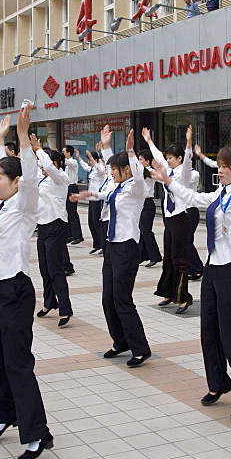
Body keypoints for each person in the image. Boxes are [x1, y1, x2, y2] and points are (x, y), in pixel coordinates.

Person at [151, 145, 231, 419]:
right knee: (208, 331)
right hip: (213, 267)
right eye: (220, 165)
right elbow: (192, 196)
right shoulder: (218, 194)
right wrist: (168, 181)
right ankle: (218, 383)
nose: (221, 170)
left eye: (226, 166)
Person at [0, 106, 54, 459]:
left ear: (14, 183)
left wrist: (23, 138)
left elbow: (24, 172)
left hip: (15, 289)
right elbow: (6, 170)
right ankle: (4, 415)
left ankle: (37, 434)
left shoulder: (25, 202)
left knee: (18, 362)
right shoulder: (1, 204)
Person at [73, 127, 151, 366]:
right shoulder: (115, 185)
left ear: (126, 169)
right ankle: (120, 341)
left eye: (115, 170)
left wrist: (129, 150)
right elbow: (105, 191)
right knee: (108, 298)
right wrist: (88, 194)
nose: (110, 173)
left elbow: (136, 175)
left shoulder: (137, 188)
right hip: (111, 244)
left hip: (127, 246)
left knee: (122, 298)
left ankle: (140, 348)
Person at [145, 125, 196, 313]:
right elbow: (157, 157)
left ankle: (183, 297)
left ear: (179, 158)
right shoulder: (170, 172)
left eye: (171, 158)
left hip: (181, 218)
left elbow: (189, 160)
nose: (168, 160)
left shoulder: (184, 173)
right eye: (167, 158)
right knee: (168, 257)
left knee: (179, 258)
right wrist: (149, 141)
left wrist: (189, 142)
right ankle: (168, 292)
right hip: (169, 219)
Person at [34, 145, 74, 327]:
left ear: (55, 163)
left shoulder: (60, 178)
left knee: (55, 269)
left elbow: (49, 167)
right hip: (42, 226)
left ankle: (65, 309)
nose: (42, 167)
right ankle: (50, 302)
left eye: (44, 163)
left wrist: (38, 149)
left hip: (56, 226)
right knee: (44, 268)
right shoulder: (42, 180)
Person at [79, 147, 109, 255]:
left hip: (98, 199)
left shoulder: (100, 169)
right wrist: (79, 157)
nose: (89, 162)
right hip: (91, 199)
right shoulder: (91, 169)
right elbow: (85, 166)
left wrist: (94, 156)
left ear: (95, 160)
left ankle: (102, 244)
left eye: (90, 160)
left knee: (98, 223)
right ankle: (96, 244)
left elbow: (99, 168)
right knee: (91, 222)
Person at [136, 150, 162, 268]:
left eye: (141, 159)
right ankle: (142, 255)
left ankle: (155, 256)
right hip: (140, 203)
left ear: (147, 161)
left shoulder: (150, 171)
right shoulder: (139, 172)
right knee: (141, 230)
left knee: (146, 230)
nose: (139, 161)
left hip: (148, 204)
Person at [63, 145, 84, 245]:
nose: (63, 154)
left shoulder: (73, 162)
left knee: (72, 212)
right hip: (66, 187)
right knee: (67, 212)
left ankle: (77, 236)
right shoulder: (66, 164)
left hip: (72, 187)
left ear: (68, 153)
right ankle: (70, 235)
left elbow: (68, 162)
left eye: (64, 152)